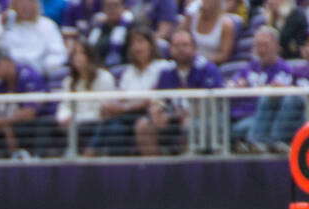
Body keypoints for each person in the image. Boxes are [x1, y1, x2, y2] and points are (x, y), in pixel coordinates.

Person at [135, 29, 222, 157]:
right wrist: (157, 110)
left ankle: (185, 169)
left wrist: (183, 114)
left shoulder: (207, 69)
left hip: (201, 118)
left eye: (185, 45)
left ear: (194, 48)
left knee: (188, 124)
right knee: (143, 125)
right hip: (173, 117)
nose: (181, 49)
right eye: (176, 46)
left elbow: (212, 101)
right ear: (170, 49)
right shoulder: (166, 72)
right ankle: (156, 170)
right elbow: (158, 98)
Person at [94, 27, 164, 156]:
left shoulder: (162, 67)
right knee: (112, 127)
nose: (137, 47)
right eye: (133, 43)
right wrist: (110, 105)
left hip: (150, 114)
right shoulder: (128, 72)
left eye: (141, 42)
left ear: (151, 45)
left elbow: (151, 98)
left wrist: (124, 107)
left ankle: (89, 155)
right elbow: (120, 96)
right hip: (127, 115)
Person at [0, 44, 52, 160]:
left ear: (8, 61)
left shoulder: (28, 75)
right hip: (7, 127)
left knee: (38, 126)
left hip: (34, 125)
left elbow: (29, 113)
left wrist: (4, 123)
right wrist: (5, 125)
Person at [229, 27, 299, 154]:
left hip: (265, 118)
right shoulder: (249, 67)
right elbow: (231, 84)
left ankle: (254, 143)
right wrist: (235, 85)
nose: (261, 50)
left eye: (265, 45)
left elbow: (280, 94)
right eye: (258, 45)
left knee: (243, 128)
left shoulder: (284, 69)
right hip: (240, 115)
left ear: (277, 47)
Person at [56, 40, 116, 156]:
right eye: (75, 54)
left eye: (81, 53)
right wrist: (63, 117)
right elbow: (64, 106)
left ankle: (84, 156)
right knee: (46, 123)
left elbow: (102, 110)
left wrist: (75, 118)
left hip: (94, 123)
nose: (78, 58)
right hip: (74, 124)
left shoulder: (104, 78)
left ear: (90, 56)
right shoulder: (69, 82)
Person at [0, 0, 67, 77]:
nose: (25, 6)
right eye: (21, 3)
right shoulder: (8, 26)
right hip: (11, 75)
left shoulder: (47, 25)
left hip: (41, 75)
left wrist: (44, 68)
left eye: (29, 2)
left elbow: (58, 53)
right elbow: (1, 51)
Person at [183, 0, 236, 65]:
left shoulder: (226, 25)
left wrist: (202, 60)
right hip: (187, 60)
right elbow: (179, 36)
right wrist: (188, 15)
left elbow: (224, 55)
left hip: (210, 65)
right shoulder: (192, 17)